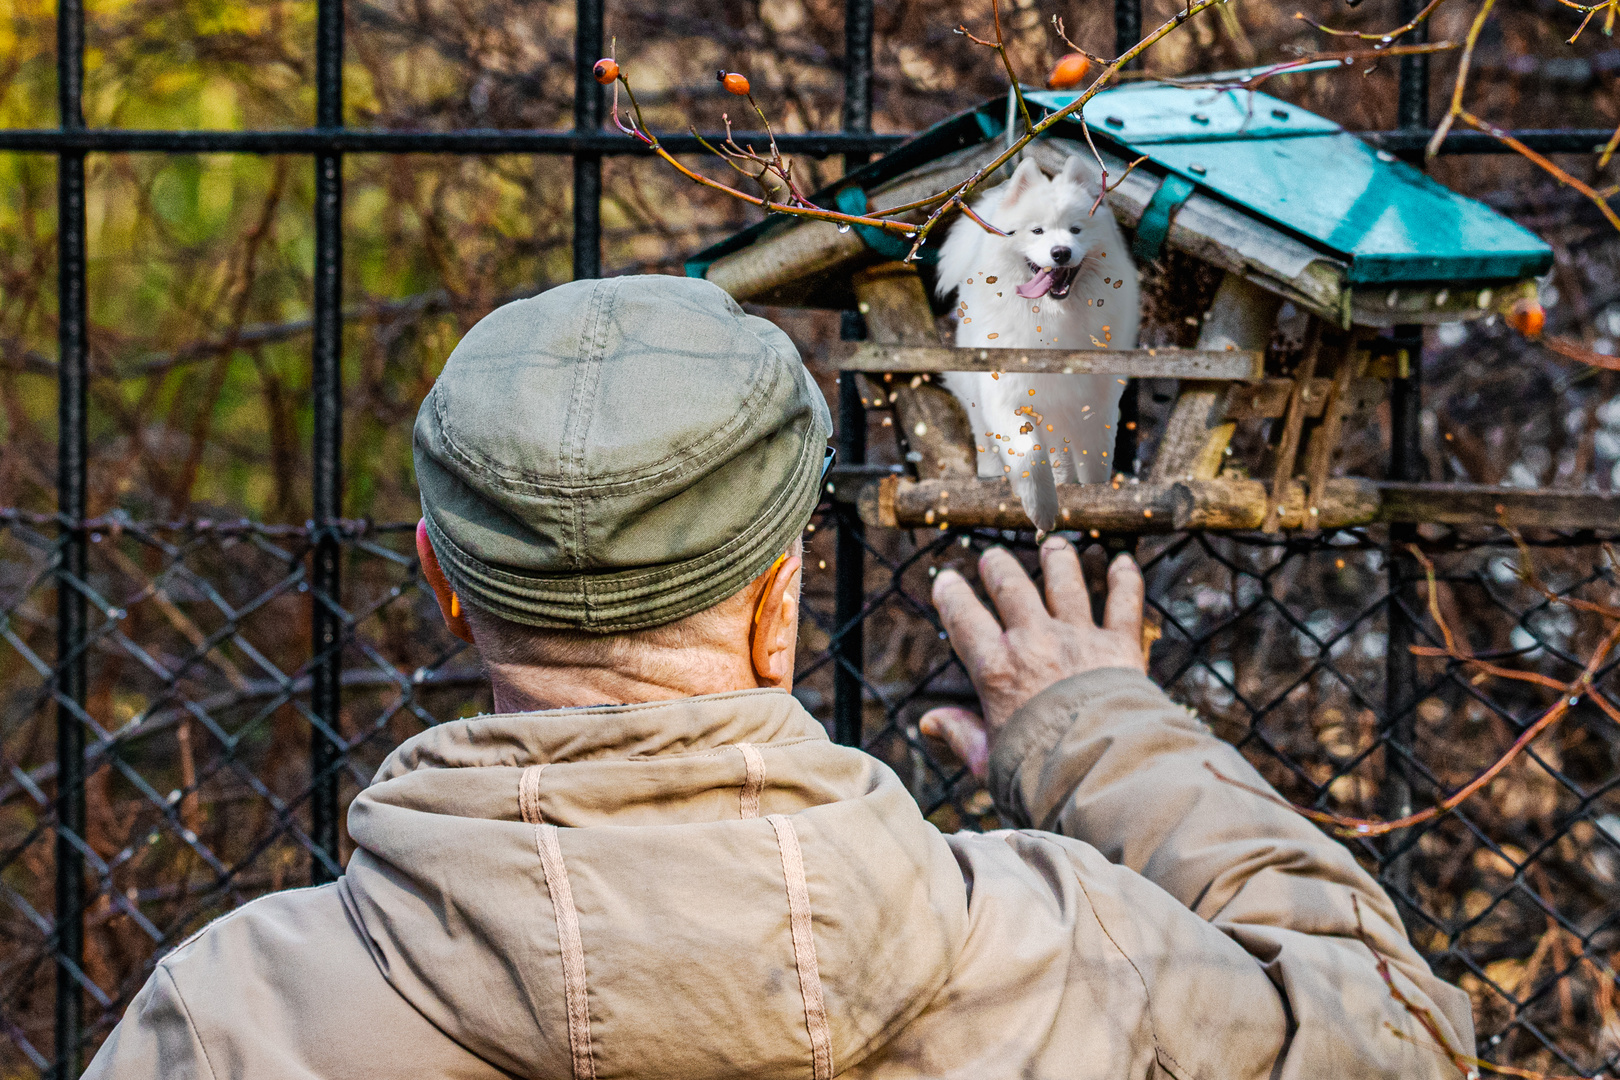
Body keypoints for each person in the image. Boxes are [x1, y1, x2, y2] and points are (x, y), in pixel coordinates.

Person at [85, 275, 1472, 1080]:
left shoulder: (236, 1020)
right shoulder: (1076, 958)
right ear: (780, 599)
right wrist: (1107, 738)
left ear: (446, 582)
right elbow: (1397, 1038)